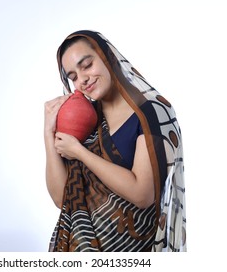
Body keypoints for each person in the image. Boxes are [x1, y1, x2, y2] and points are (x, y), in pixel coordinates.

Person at [44, 30, 186, 252]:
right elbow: (63, 199)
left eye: (87, 65)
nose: (82, 79)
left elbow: (142, 194)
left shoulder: (151, 112)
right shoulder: (87, 121)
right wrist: (48, 131)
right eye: (72, 77)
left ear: (108, 56)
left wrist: (79, 152)